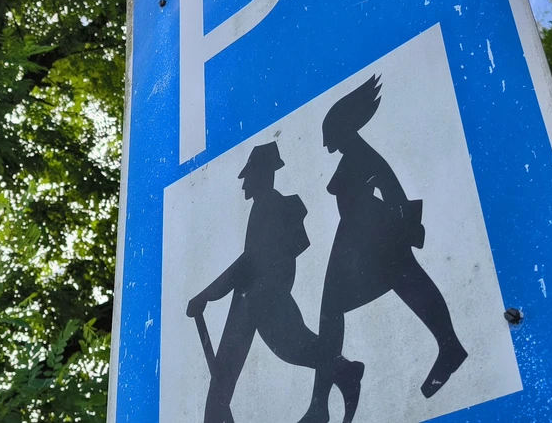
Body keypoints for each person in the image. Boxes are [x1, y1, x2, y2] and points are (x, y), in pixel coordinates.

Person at [298, 75, 467, 423]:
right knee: (342, 307)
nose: (328, 143)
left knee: (406, 286)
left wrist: (401, 234)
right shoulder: (354, 155)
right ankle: (319, 403)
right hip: (354, 240)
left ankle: (450, 347)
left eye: (332, 133)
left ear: (345, 128)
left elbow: (395, 194)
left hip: (373, 237)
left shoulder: (365, 156)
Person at [187, 142, 330, 423]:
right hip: (247, 301)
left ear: (263, 174)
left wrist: (207, 295)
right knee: (221, 383)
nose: (243, 184)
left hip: (263, 300)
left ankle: (345, 372)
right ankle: (345, 371)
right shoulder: (263, 206)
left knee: (295, 349)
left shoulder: (271, 207)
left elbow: (251, 260)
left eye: (248, 176)